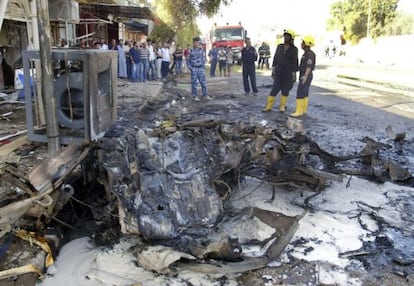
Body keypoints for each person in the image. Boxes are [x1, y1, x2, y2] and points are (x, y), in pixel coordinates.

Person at [262, 29, 298, 112]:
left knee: (285, 90)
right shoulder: (280, 46)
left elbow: (295, 62)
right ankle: (268, 106)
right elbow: (275, 58)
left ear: (291, 38)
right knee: (274, 89)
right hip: (279, 71)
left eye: (288, 36)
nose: (286, 38)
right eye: (285, 36)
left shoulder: (294, 49)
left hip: (288, 72)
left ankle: (282, 107)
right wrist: (273, 69)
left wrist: (294, 74)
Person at [291, 35, 316, 117]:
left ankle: (299, 111)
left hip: (306, 75)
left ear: (307, 44)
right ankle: (304, 110)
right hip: (305, 75)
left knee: (300, 92)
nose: (301, 44)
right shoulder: (306, 53)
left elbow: (309, 66)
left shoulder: (309, 54)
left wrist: (305, 76)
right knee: (305, 93)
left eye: (303, 42)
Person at [187, 36, 212, 101]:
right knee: (194, 84)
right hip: (194, 68)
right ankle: (194, 96)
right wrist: (191, 69)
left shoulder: (201, 50)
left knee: (203, 83)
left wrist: (203, 67)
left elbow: (204, 59)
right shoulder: (190, 51)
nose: (197, 44)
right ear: (193, 43)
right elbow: (188, 61)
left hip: (201, 68)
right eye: (196, 42)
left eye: (198, 42)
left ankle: (205, 95)